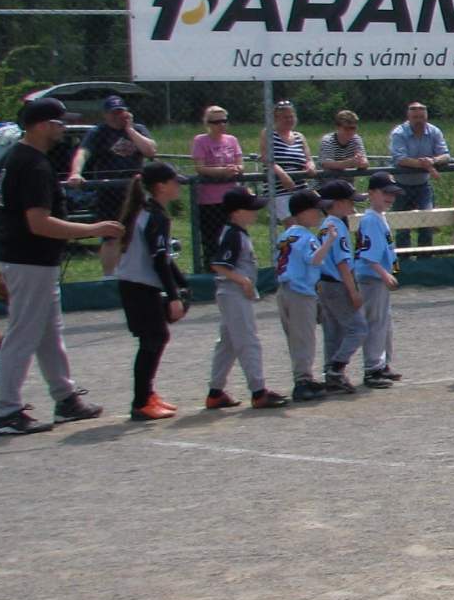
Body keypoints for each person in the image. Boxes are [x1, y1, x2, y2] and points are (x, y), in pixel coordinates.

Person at [0, 97, 121, 435]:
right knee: (23, 334)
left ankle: (65, 399)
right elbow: (39, 223)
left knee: (49, 333)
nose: (63, 128)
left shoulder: (19, 158)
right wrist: (93, 229)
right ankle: (7, 411)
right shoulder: (31, 163)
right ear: (40, 125)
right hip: (30, 259)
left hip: (29, 259)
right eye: (58, 123)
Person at [114, 161, 190, 422]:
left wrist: (182, 283)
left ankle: (147, 394)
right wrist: (174, 295)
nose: (178, 185)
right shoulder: (154, 215)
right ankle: (140, 402)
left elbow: (165, 257)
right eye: (174, 181)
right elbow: (159, 259)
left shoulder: (149, 210)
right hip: (139, 285)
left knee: (156, 337)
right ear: (160, 186)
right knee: (153, 339)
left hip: (137, 283)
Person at [204, 187, 286, 411]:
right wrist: (244, 281)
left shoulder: (237, 232)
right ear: (236, 212)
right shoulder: (233, 234)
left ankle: (215, 392)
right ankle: (259, 392)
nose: (254, 212)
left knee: (229, 344)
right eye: (250, 209)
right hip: (233, 294)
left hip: (231, 294)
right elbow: (218, 265)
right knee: (248, 341)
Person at [66, 94, 156, 273]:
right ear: (105, 115)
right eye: (113, 113)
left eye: (120, 112)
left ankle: (138, 271)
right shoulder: (98, 133)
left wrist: (130, 129)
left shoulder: (138, 129)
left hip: (134, 190)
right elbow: (83, 153)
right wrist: (76, 172)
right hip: (108, 191)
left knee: (139, 233)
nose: (117, 116)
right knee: (111, 236)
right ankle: (109, 277)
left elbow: (150, 151)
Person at [311, 179, 368, 395]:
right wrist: (353, 290)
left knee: (333, 331)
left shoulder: (326, 225)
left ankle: (331, 372)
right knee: (358, 328)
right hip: (336, 284)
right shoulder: (337, 225)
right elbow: (342, 262)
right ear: (337, 203)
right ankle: (336, 369)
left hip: (324, 284)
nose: (353, 206)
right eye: (349, 201)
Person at [274, 188, 327, 403]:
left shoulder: (286, 235)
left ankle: (303, 377)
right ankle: (302, 381)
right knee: (304, 338)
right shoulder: (307, 237)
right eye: (316, 210)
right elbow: (315, 260)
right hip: (301, 292)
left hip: (284, 291)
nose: (320, 215)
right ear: (303, 213)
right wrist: (329, 241)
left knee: (295, 338)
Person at [356, 173, 402, 388]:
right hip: (372, 278)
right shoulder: (371, 219)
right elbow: (368, 254)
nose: (390, 197)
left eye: (393, 194)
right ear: (371, 193)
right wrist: (384, 273)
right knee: (375, 323)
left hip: (378, 278)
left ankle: (382, 364)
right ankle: (372, 369)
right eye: (385, 193)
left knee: (385, 323)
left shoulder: (378, 217)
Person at [387, 101, 450, 246]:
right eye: (415, 117)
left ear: (426, 117)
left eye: (422, 117)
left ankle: (425, 260)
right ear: (409, 117)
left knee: (427, 223)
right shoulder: (399, 133)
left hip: (423, 185)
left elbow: (446, 156)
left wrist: (432, 161)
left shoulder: (434, 131)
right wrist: (424, 164)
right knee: (402, 228)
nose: (419, 121)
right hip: (400, 185)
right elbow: (400, 159)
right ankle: (404, 263)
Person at [189, 106, 247, 260]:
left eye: (224, 121)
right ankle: (212, 268)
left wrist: (236, 169)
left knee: (234, 235)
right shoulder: (200, 140)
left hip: (231, 198)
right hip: (210, 201)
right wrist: (223, 171)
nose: (221, 124)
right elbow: (200, 168)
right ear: (207, 123)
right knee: (212, 239)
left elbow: (240, 163)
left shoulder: (232, 140)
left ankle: (234, 263)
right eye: (216, 122)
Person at [259, 98, 315, 216]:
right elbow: (266, 158)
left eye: (291, 116)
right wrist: (283, 175)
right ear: (276, 119)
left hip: (300, 187)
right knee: (292, 223)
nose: (289, 119)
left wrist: (310, 166)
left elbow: (308, 159)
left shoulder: (299, 136)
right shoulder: (268, 133)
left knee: (304, 222)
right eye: (285, 117)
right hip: (279, 189)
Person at [317, 111, 369, 177]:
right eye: (346, 128)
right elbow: (326, 164)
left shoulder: (356, 139)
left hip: (347, 183)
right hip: (324, 183)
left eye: (353, 128)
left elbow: (365, 163)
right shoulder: (328, 140)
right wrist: (350, 163)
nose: (350, 131)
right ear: (338, 127)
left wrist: (361, 162)